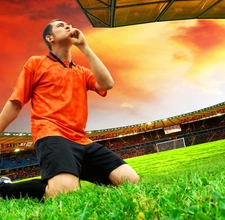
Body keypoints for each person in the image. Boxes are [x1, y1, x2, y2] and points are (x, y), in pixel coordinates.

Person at [0, 19, 139, 201]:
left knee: (131, 181)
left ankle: (71, 173)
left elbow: (107, 84)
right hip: (51, 134)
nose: (67, 26)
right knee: (65, 193)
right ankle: (3, 188)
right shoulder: (36, 63)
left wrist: (84, 46)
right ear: (50, 38)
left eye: (68, 24)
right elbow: (16, 103)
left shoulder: (82, 71)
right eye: (60, 25)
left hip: (81, 139)